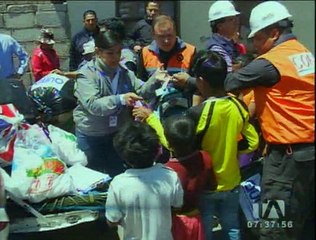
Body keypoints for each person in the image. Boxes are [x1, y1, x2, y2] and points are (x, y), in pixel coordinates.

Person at [133, 50, 259, 240]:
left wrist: (151, 118)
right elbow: (252, 142)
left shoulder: (199, 112)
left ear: (200, 80)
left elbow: (174, 144)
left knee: (205, 230)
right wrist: (230, 147)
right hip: (232, 182)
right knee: (232, 227)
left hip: (206, 183)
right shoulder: (237, 106)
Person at [224, 2, 315, 240]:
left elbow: (230, 83)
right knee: (301, 221)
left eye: (257, 38)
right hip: (307, 153)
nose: (254, 45)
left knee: (274, 223)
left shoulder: (270, 62)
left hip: (285, 158)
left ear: (274, 33)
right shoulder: (303, 53)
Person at [73, 30, 161, 177]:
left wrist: (156, 80)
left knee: (117, 174)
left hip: (116, 134)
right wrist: (120, 99)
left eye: (119, 52)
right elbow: (93, 105)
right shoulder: (86, 74)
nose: (116, 57)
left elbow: (140, 92)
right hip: (92, 136)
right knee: (93, 177)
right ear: (98, 52)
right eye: (110, 53)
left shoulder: (124, 72)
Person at [105, 121, 183, 240]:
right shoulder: (170, 176)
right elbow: (177, 206)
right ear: (157, 150)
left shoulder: (118, 184)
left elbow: (112, 220)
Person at [163, 115, 217, 240]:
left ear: (169, 143)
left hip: (174, 222)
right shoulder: (205, 157)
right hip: (196, 218)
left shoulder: (167, 170)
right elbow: (211, 186)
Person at [137, 14, 197, 118]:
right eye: (161, 36)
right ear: (153, 35)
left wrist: (187, 82)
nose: (166, 41)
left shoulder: (190, 51)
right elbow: (139, 89)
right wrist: (154, 80)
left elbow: (201, 86)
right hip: (152, 113)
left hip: (182, 113)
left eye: (169, 35)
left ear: (176, 33)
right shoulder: (145, 53)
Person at [206, 0, 242, 72]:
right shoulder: (216, 48)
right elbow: (228, 73)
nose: (236, 22)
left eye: (235, 18)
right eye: (231, 19)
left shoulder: (230, 43)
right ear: (220, 26)